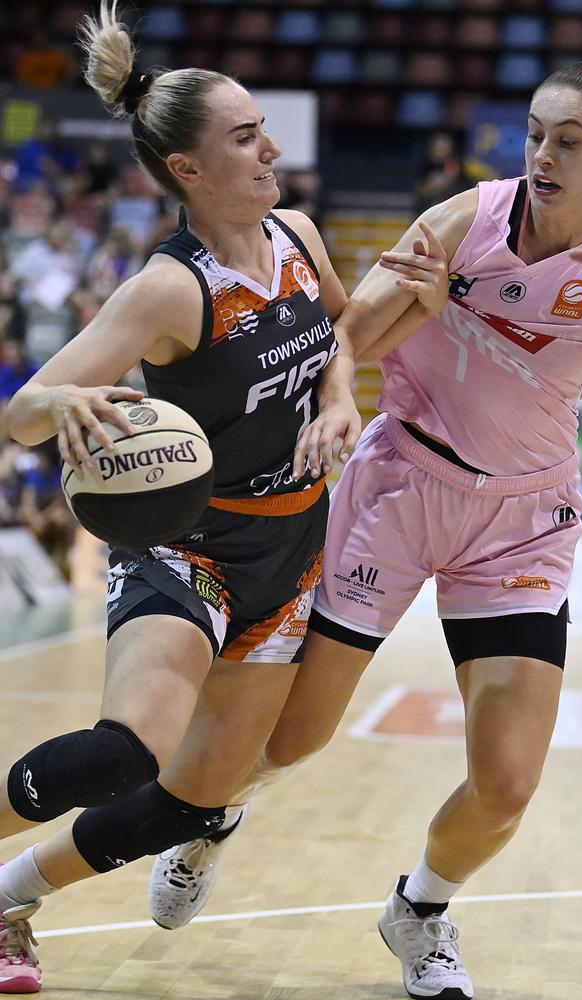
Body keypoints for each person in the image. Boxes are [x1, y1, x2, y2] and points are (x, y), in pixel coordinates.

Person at [148, 41, 582, 1000]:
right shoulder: (466, 218)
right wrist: (415, 313)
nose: (543, 157)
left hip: (523, 519)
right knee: (292, 740)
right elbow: (344, 342)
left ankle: (418, 909)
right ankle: (210, 817)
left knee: (505, 786)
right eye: (535, 135)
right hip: (400, 489)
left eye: (570, 143)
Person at [0, 1, 360, 992]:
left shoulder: (295, 233)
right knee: (122, 754)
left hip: (291, 552)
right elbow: (22, 411)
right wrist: (61, 396)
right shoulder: (167, 290)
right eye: (245, 136)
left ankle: (4, 903)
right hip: (191, 543)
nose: (270, 147)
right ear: (188, 170)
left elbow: (339, 335)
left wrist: (337, 406)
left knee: (188, 805)